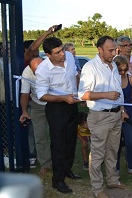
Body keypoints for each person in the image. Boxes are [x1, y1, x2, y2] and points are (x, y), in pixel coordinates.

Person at [78, 36, 129, 198]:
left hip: (115, 115)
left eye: (115, 49)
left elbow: (117, 91)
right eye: (110, 50)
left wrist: (121, 110)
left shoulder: (113, 65)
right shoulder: (90, 67)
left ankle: (112, 180)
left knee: (113, 150)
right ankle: (97, 189)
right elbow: (82, 94)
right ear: (99, 49)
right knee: (98, 153)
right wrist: (106, 95)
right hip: (100, 116)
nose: (114, 53)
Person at [35, 37, 81, 194]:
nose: (63, 54)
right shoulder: (43, 70)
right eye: (58, 52)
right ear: (48, 54)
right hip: (56, 108)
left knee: (70, 141)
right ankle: (58, 180)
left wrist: (77, 93)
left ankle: (67, 169)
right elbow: (41, 95)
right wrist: (63, 98)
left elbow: (75, 74)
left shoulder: (68, 57)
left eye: (62, 49)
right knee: (58, 144)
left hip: (72, 104)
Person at [19, 57, 52, 177]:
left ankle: (60, 162)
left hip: (54, 103)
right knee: (40, 136)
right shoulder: (27, 72)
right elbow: (24, 93)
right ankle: (46, 164)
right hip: (37, 105)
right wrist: (24, 111)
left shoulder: (52, 67)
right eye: (35, 72)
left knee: (58, 134)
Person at [114, 55, 132, 177]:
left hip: (129, 111)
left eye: (125, 69)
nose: (123, 72)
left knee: (131, 141)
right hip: (116, 112)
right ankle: (116, 167)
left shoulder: (130, 79)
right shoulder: (113, 80)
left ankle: (131, 166)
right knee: (116, 143)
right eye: (120, 70)